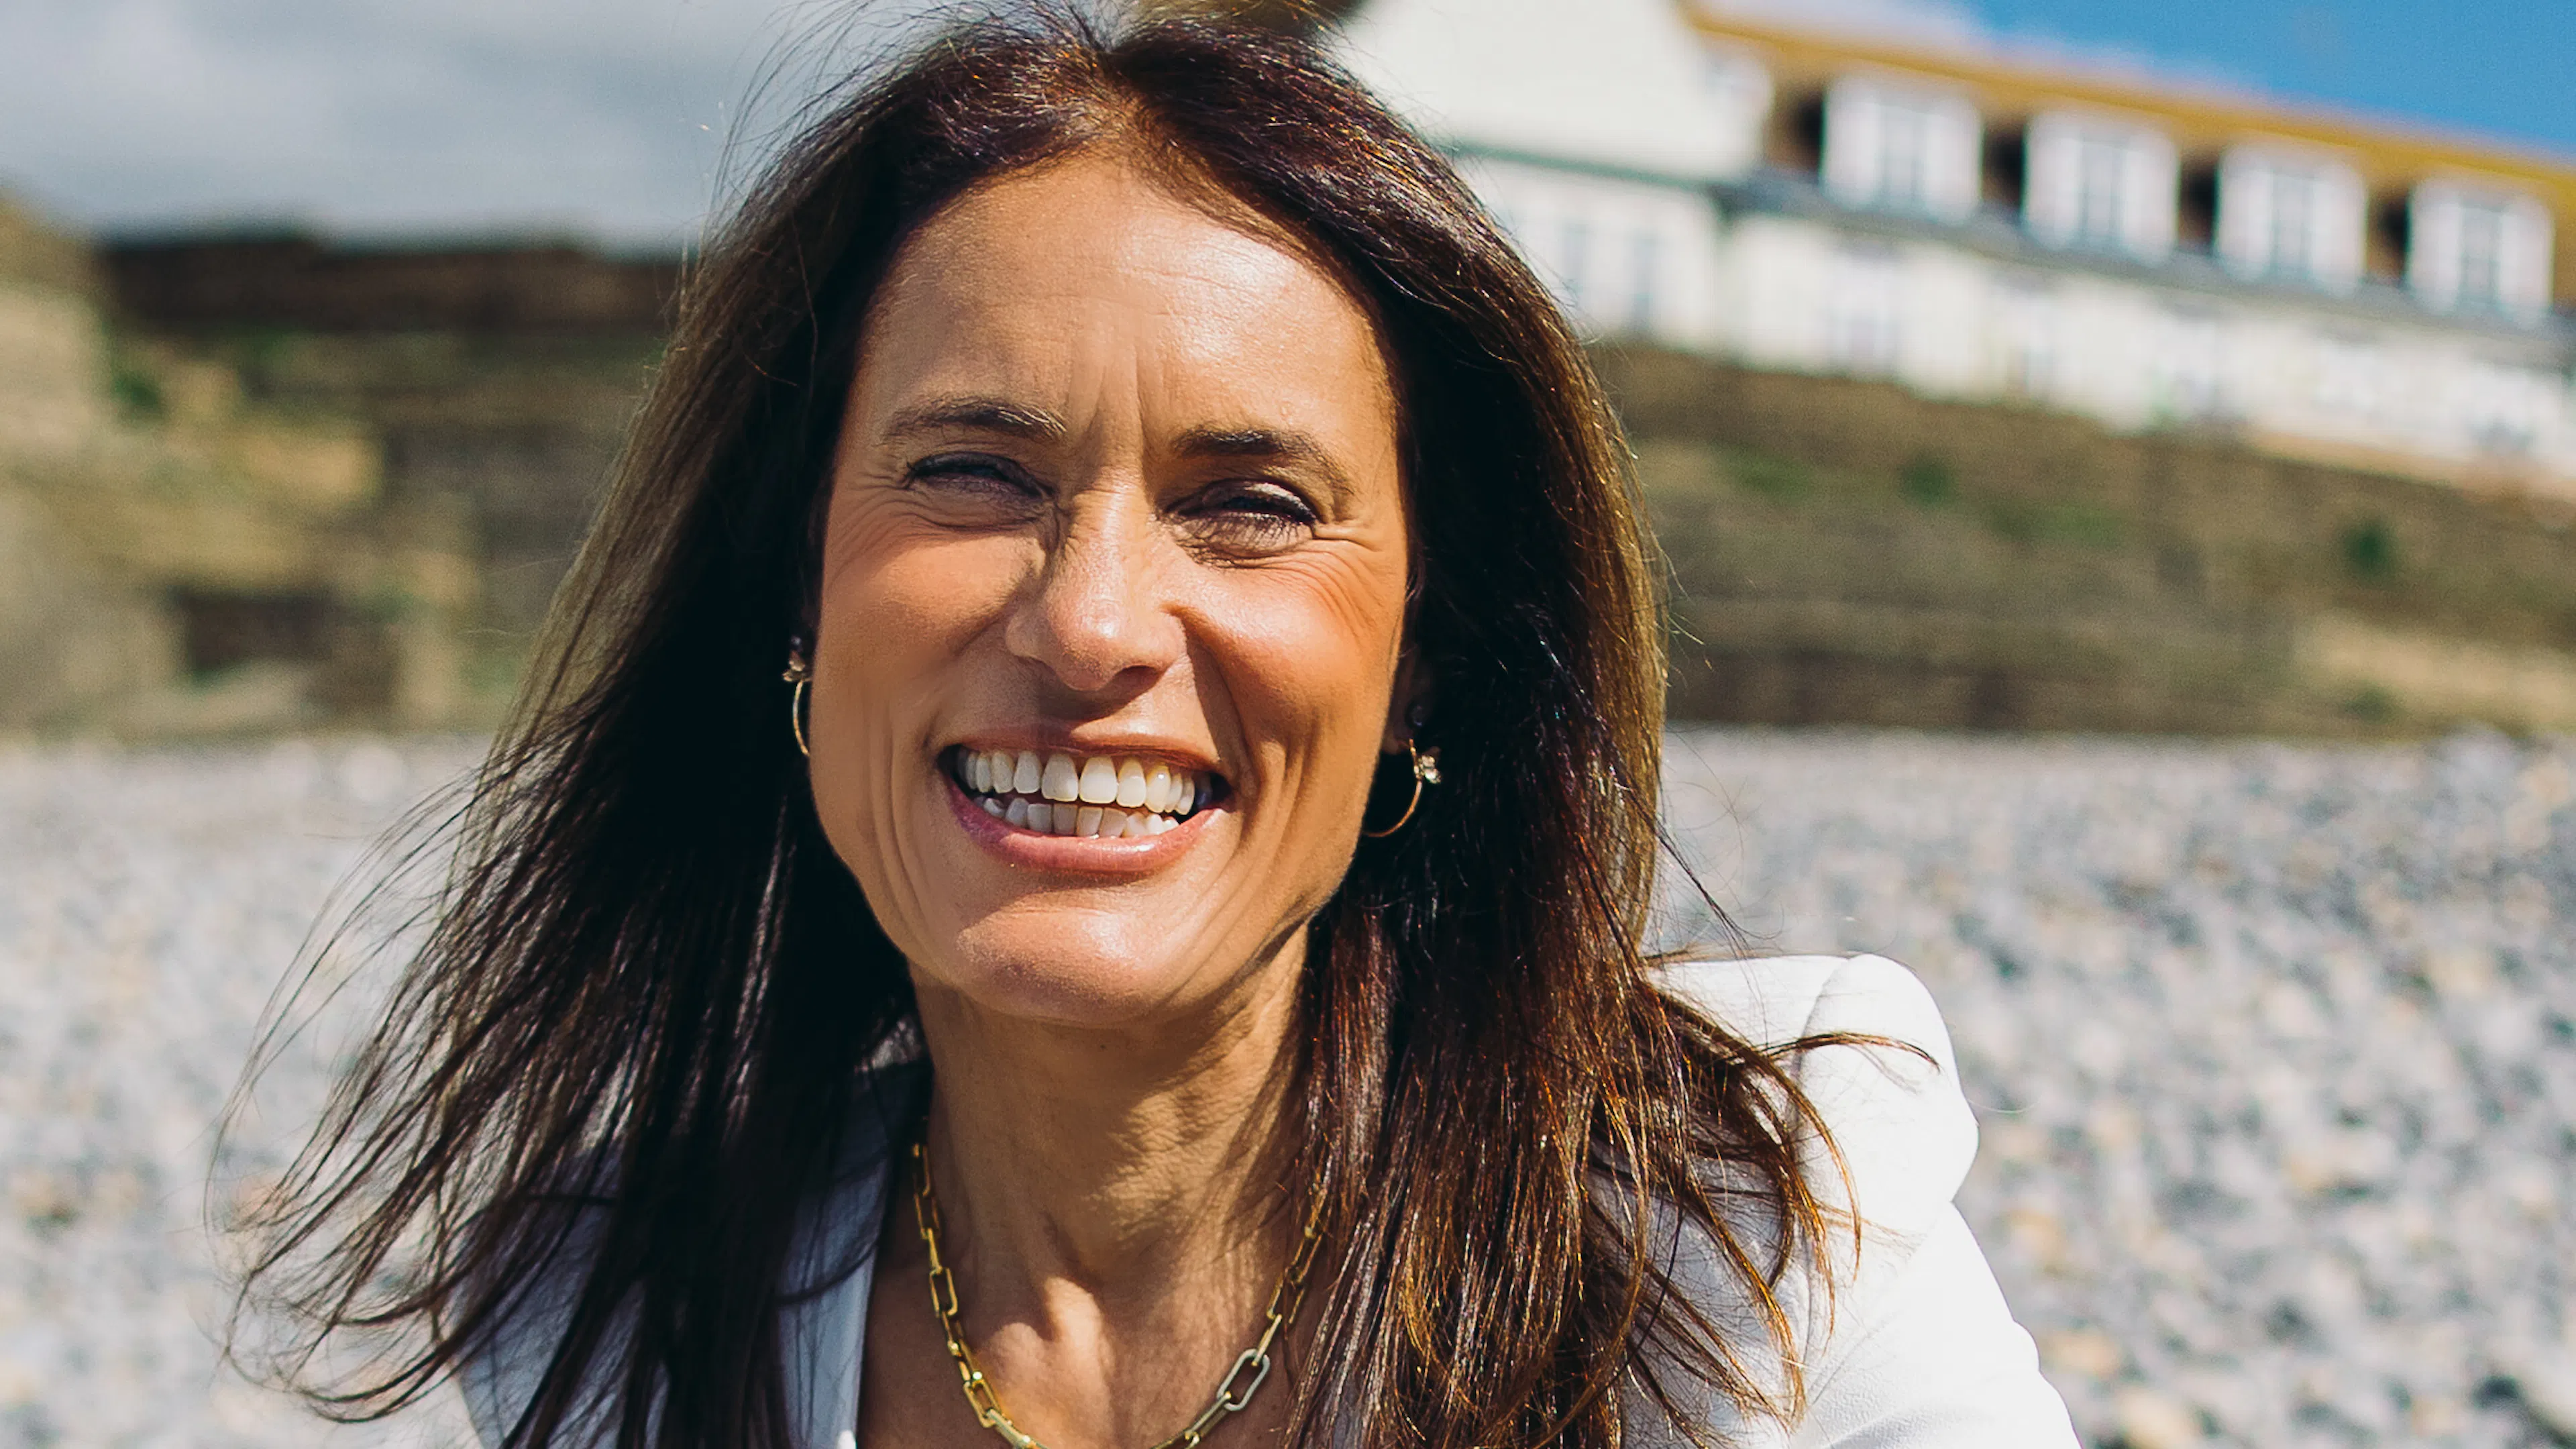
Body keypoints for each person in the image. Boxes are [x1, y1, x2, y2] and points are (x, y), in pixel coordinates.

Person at [233, 11, 2079, 1448]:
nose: (1092, 621)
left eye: (1252, 505)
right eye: (971, 470)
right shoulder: (616, 1318)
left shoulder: (1748, 1245)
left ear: (1422, 664)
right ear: (795, 599)